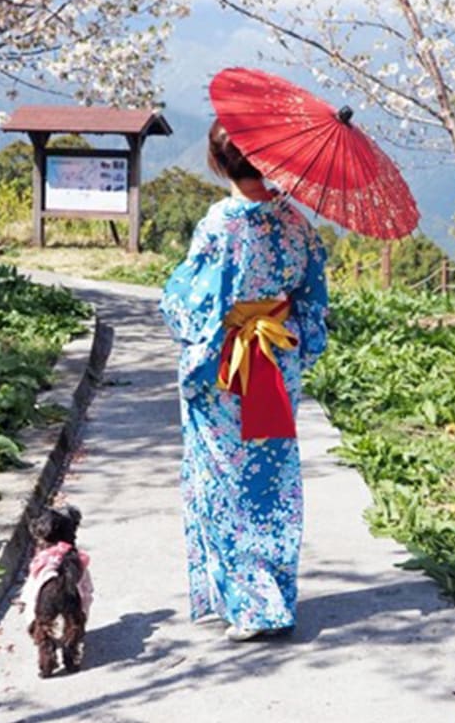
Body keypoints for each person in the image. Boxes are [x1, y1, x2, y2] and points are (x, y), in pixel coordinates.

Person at [159, 118, 328, 642]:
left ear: (218, 163)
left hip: (227, 366)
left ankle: (250, 605)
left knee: (222, 480)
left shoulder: (219, 224)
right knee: (271, 480)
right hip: (275, 362)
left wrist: (174, 303)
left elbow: (194, 304)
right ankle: (273, 594)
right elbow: (313, 301)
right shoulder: (297, 223)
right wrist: (295, 343)